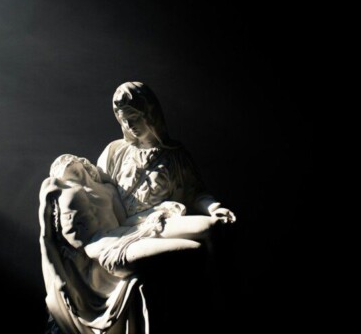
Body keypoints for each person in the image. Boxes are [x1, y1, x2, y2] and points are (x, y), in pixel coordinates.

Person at [39, 154, 220, 334]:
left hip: (128, 233)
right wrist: (58, 279)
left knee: (209, 227)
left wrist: (158, 210)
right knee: (194, 250)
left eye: (73, 163)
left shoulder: (107, 189)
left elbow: (125, 221)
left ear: (82, 163)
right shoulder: (56, 187)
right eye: (65, 169)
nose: (69, 168)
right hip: (107, 249)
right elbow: (46, 238)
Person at [97, 81, 236, 223]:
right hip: (123, 225)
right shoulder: (115, 152)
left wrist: (214, 209)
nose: (129, 125)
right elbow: (97, 191)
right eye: (124, 120)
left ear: (150, 115)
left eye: (133, 117)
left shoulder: (176, 156)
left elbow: (195, 195)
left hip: (164, 223)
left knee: (206, 227)